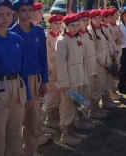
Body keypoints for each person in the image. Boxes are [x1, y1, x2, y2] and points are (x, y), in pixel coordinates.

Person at [0, 0, 32, 156]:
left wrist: (28, 95)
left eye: (8, 14)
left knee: (15, 130)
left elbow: (23, 69)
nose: (5, 18)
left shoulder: (16, 39)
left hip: (17, 86)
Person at [10, 0, 49, 156]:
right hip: (18, 81)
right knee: (17, 119)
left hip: (35, 78)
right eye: (23, 10)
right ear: (16, 13)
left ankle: (31, 150)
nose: (27, 13)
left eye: (30, 10)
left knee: (33, 118)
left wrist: (44, 80)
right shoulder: (11, 33)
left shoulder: (38, 31)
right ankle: (18, 151)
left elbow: (43, 57)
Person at [55, 13, 90, 146]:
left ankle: (73, 129)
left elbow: (81, 60)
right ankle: (65, 134)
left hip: (79, 76)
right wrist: (64, 83)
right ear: (66, 26)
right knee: (67, 107)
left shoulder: (77, 37)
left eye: (77, 25)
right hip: (69, 79)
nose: (75, 28)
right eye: (72, 25)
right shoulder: (62, 40)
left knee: (76, 105)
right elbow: (61, 64)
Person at [78, 10, 104, 122]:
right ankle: (82, 119)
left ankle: (91, 112)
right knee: (84, 95)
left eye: (86, 20)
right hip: (83, 70)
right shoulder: (78, 35)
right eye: (82, 20)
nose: (85, 22)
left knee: (92, 91)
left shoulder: (87, 34)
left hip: (91, 67)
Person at [88, 10, 112, 116]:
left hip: (105, 60)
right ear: (91, 20)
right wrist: (102, 60)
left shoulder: (101, 28)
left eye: (99, 18)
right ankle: (94, 110)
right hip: (97, 62)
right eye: (95, 18)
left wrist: (107, 58)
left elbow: (106, 44)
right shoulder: (90, 31)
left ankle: (101, 105)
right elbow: (93, 49)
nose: (98, 20)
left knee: (102, 84)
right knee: (97, 86)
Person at [43, 14, 64, 129]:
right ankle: (50, 118)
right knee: (51, 93)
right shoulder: (47, 37)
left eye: (60, 23)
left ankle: (57, 115)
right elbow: (46, 54)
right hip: (51, 69)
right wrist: (47, 67)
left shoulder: (60, 36)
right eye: (55, 23)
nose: (58, 26)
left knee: (59, 93)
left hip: (59, 69)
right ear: (50, 25)